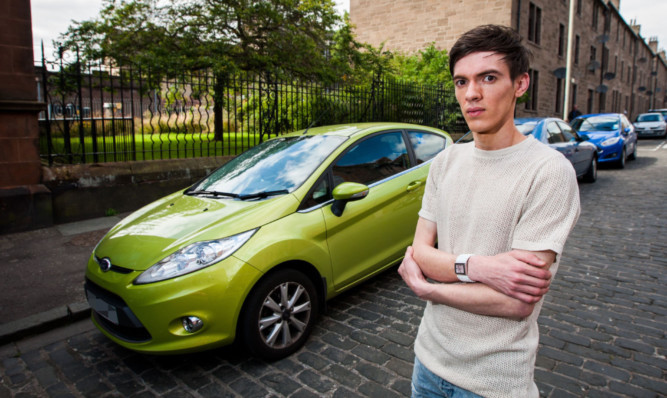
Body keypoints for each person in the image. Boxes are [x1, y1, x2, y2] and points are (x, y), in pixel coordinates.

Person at [398, 24, 580, 398]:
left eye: (489, 77)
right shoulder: (445, 162)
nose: (472, 94)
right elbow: (420, 254)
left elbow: (514, 302)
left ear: (520, 84)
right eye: (461, 82)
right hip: (427, 363)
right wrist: (481, 268)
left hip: (492, 383)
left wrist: (430, 289)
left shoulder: (548, 172)